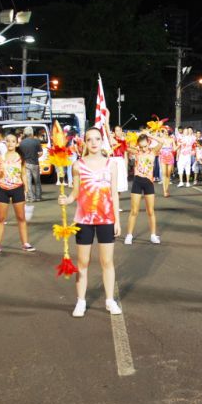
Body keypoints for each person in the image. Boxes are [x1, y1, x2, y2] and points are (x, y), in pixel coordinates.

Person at [58, 127, 122, 317]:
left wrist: (117, 220)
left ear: (102, 141)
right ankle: (81, 301)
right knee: (83, 262)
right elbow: (75, 193)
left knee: (107, 261)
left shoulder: (111, 164)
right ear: (84, 143)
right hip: (83, 219)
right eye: (89, 139)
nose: (94, 143)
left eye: (97, 139)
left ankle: (110, 301)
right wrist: (66, 200)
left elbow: (114, 194)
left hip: (106, 218)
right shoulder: (77, 165)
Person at [0, 133, 34, 254]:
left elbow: (23, 173)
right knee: (1, 218)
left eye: (13, 141)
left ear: (17, 143)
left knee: (21, 218)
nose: (10, 143)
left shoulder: (20, 157)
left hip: (17, 188)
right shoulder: (0, 157)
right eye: (8, 141)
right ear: (5, 143)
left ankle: (25, 243)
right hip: (3, 189)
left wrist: (26, 188)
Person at [125, 131, 162, 245]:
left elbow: (161, 141)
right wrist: (135, 137)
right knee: (134, 211)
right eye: (141, 146)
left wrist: (148, 134)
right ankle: (129, 235)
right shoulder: (136, 152)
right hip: (137, 181)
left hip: (148, 183)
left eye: (145, 146)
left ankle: (153, 235)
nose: (144, 148)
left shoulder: (153, 151)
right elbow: (124, 145)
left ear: (148, 143)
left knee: (150, 211)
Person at [18, 126, 43, 202]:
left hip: (25, 164)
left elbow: (20, 155)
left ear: (25, 133)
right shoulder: (36, 141)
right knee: (37, 181)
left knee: (28, 182)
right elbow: (41, 153)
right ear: (32, 133)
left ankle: (31, 198)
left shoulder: (21, 143)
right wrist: (36, 156)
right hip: (35, 163)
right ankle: (38, 197)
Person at [158, 130, 175, 197]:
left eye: (166, 132)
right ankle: (164, 191)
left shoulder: (172, 139)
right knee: (164, 174)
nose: (165, 133)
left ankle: (167, 190)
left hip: (170, 157)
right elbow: (154, 138)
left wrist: (179, 145)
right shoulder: (161, 139)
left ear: (169, 133)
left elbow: (174, 149)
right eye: (164, 132)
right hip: (163, 157)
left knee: (168, 174)